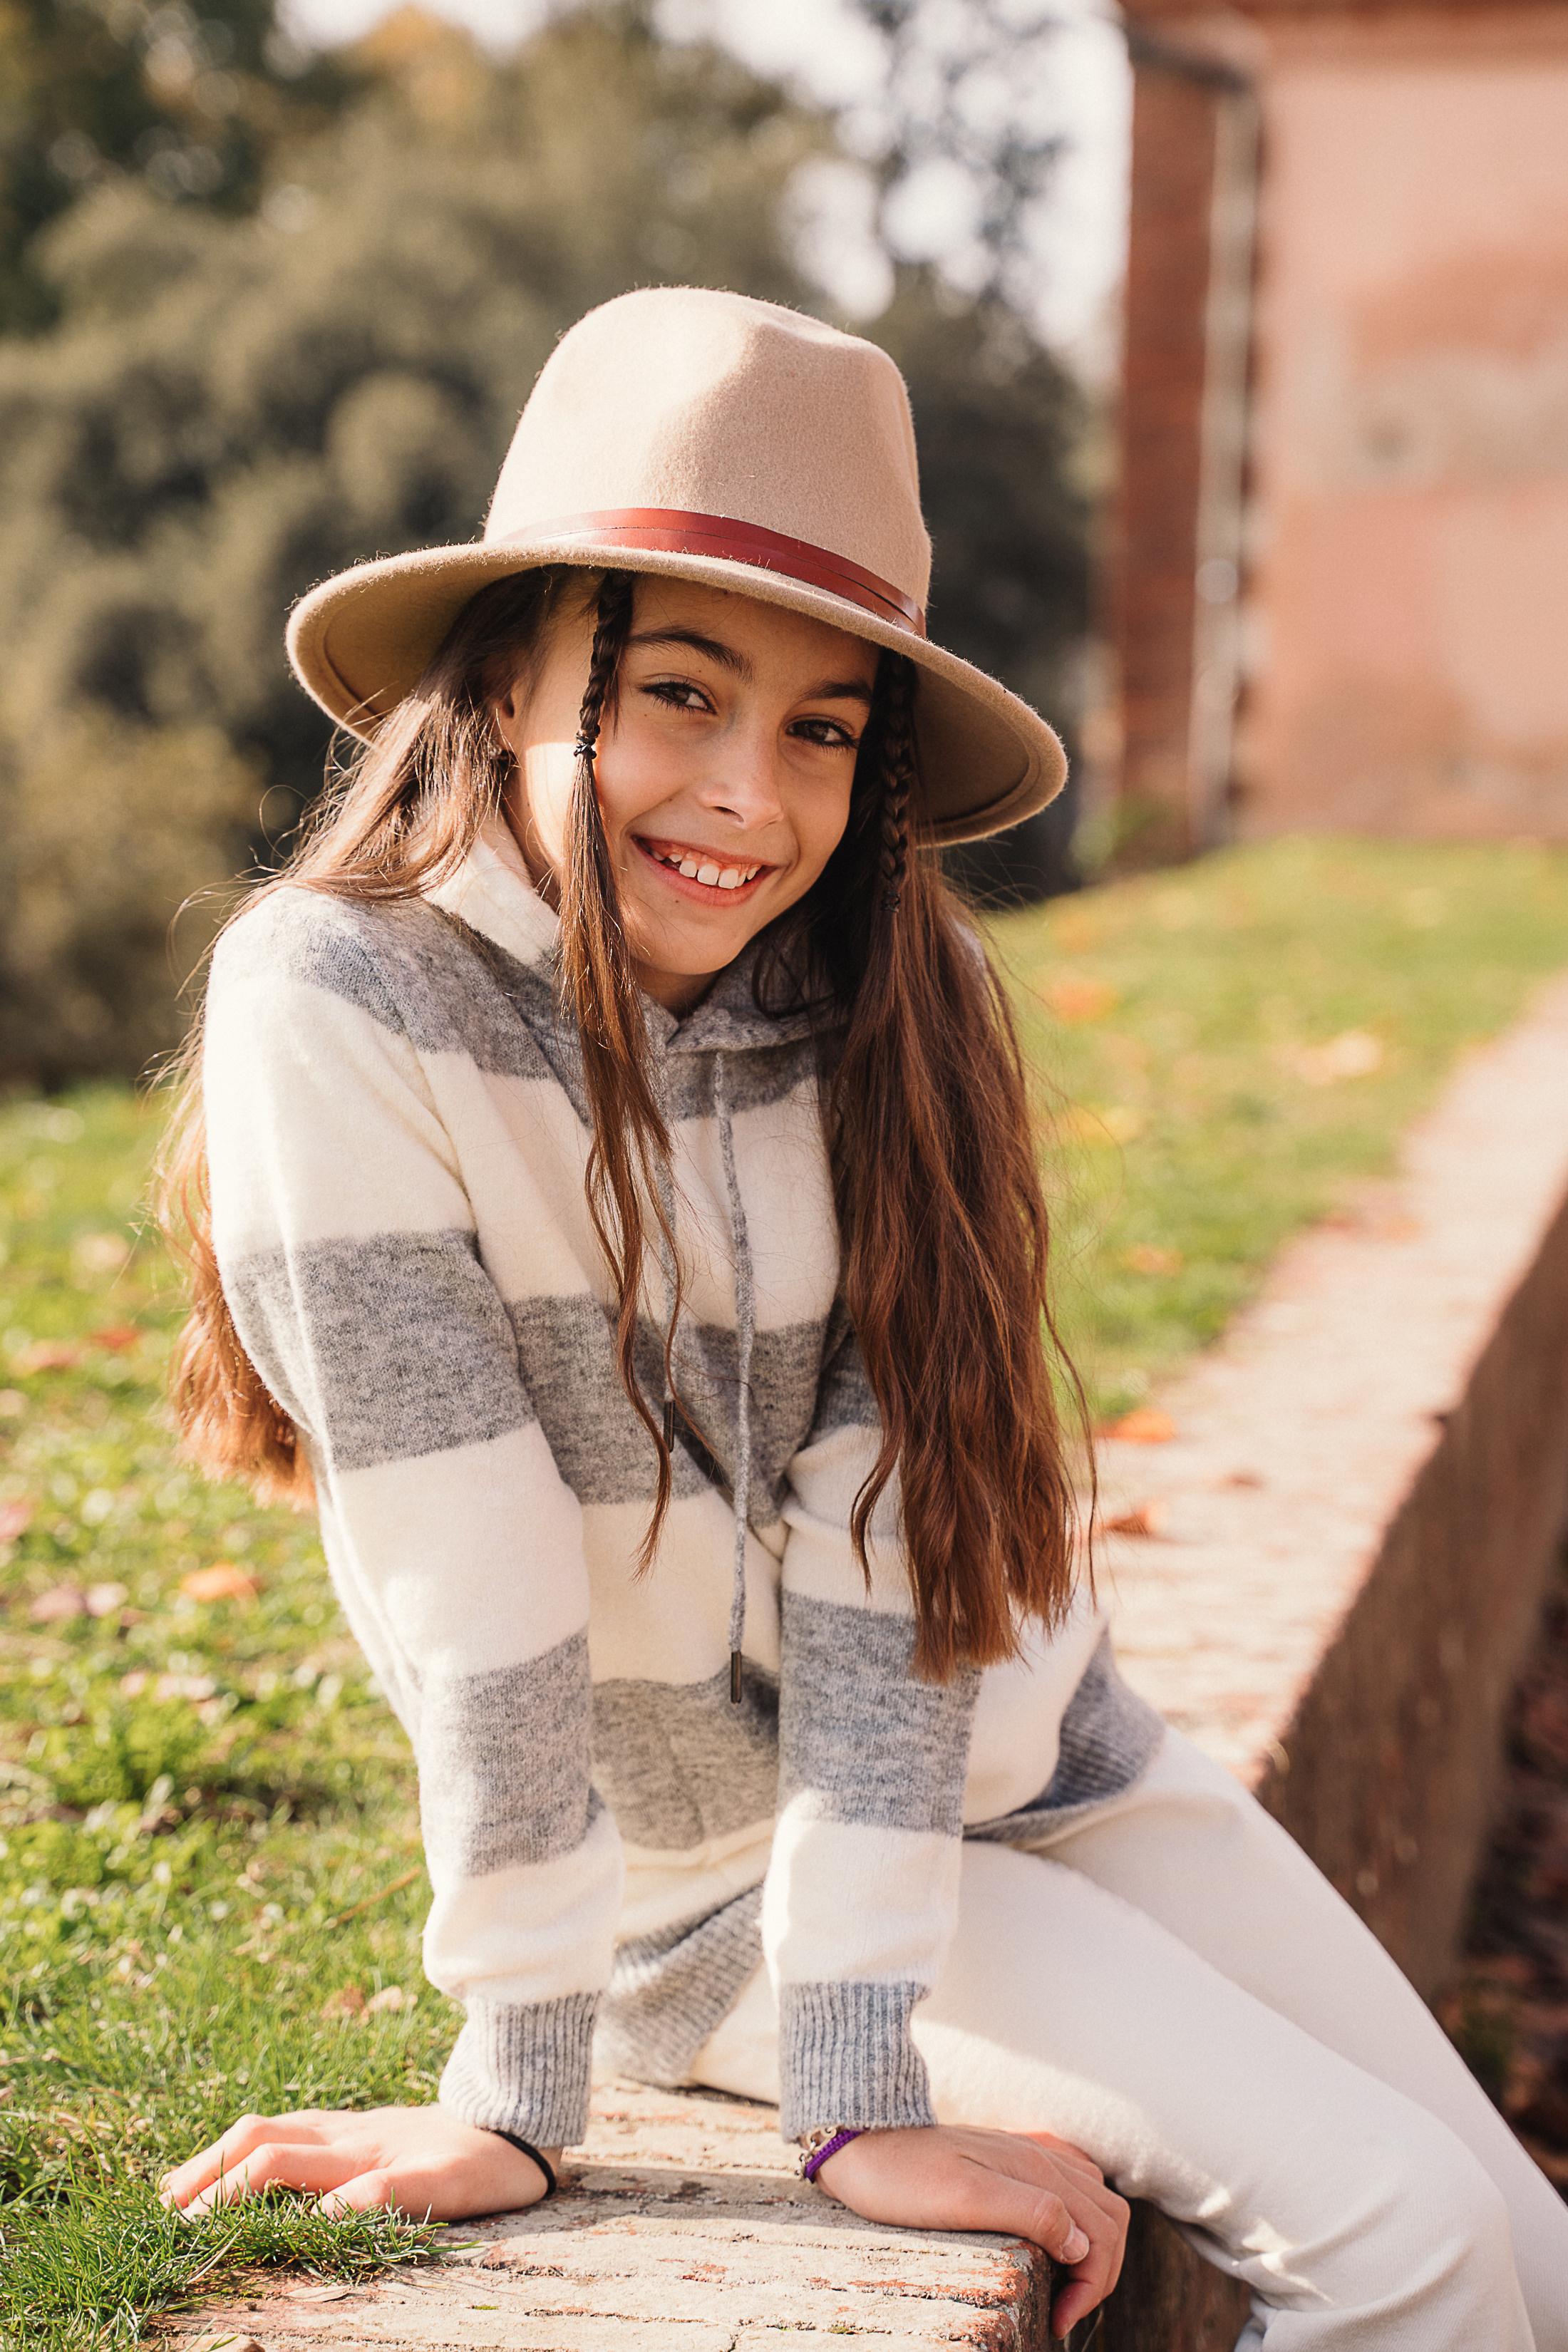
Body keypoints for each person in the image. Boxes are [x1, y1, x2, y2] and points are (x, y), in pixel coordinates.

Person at [157, 289, 1567, 2348]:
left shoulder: (896, 998)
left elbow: (893, 1543)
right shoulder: (337, 1001)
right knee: (1408, 2243)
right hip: (716, 1888)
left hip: (1050, 1761)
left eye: (823, 729)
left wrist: (856, 2075)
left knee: (1527, 2254)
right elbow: (471, 1575)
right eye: (680, 692)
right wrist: (540, 2085)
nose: (749, 795)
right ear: (510, 666)